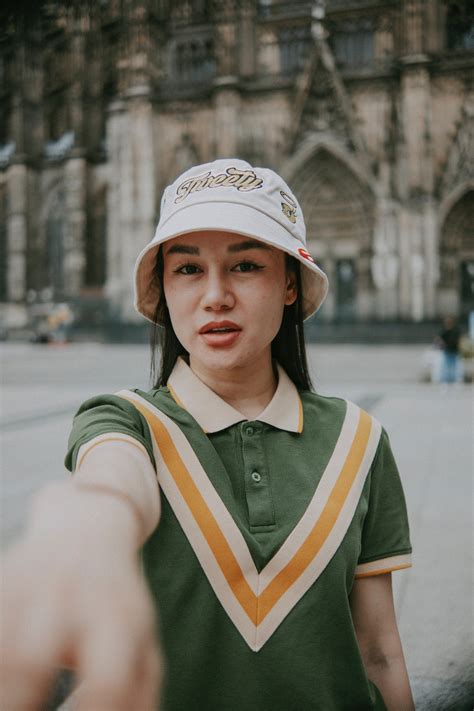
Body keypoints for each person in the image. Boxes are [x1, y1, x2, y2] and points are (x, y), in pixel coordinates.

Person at [0, 159, 414, 711]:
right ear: (163, 290)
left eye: (245, 265)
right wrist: (87, 531)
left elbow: (380, 650)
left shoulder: (360, 439)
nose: (215, 296)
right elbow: (112, 480)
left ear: (290, 284)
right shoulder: (124, 420)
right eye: (188, 269)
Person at [437, 315, 462, 384]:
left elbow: (458, 340)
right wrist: (441, 345)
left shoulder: (456, 330)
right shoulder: (444, 331)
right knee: (446, 365)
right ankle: (447, 379)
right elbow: (439, 340)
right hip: (447, 350)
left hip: (454, 350)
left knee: (454, 365)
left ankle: (453, 378)